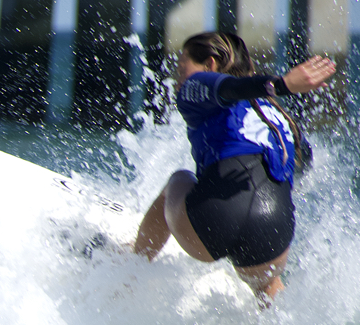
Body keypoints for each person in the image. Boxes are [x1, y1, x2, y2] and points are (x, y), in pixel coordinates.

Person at [133, 31, 336, 304]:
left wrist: (282, 84)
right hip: (273, 232)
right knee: (268, 284)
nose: (179, 80)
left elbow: (228, 89)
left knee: (177, 182)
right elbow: (303, 165)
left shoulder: (199, 87)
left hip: (211, 222)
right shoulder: (279, 117)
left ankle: (131, 265)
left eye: (182, 69)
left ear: (211, 65)